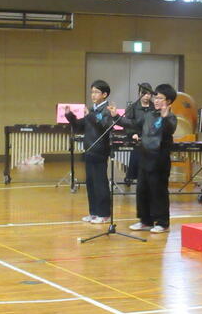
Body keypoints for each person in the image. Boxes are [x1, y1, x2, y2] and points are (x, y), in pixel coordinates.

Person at [110, 84, 177, 233]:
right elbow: (133, 124)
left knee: (158, 191)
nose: (156, 100)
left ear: (168, 101)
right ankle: (145, 221)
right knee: (142, 190)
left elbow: (169, 130)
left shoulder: (171, 118)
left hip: (159, 159)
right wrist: (116, 117)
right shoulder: (149, 115)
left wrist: (165, 118)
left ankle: (162, 222)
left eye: (160, 98)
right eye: (156, 97)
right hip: (145, 157)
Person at [64, 80, 115, 224]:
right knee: (91, 183)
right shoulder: (92, 110)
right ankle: (94, 212)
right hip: (89, 150)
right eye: (92, 92)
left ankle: (104, 214)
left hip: (100, 151)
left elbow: (104, 127)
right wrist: (70, 116)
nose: (93, 95)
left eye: (96, 92)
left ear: (104, 94)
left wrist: (89, 116)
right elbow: (80, 127)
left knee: (100, 183)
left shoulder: (107, 110)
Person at [122, 83, 155, 185]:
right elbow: (127, 123)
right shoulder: (132, 107)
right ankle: (130, 176)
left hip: (150, 139)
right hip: (136, 138)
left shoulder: (154, 107)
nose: (146, 96)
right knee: (136, 157)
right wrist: (133, 134)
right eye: (143, 93)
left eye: (148, 94)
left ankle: (148, 179)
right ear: (139, 93)